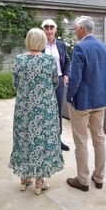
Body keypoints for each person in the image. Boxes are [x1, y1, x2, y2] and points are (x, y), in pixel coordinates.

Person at [9, 28, 64, 195]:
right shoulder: (49, 61)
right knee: (42, 142)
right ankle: (39, 182)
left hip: (24, 108)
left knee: (24, 139)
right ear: (42, 42)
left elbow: (15, 83)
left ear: (27, 41)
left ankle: (24, 179)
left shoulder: (19, 60)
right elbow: (55, 82)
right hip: (45, 109)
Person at [65, 16, 106, 192]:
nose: (74, 32)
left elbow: (75, 78)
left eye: (75, 29)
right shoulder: (104, 47)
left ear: (81, 29)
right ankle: (99, 178)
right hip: (100, 101)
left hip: (83, 103)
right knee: (99, 139)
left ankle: (83, 180)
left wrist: (69, 96)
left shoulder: (80, 48)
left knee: (81, 141)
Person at [41, 19, 71, 151]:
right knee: (44, 111)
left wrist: (66, 74)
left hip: (58, 81)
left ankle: (57, 140)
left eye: (51, 27)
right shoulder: (39, 45)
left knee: (58, 110)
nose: (49, 30)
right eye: (46, 27)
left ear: (55, 29)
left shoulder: (61, 45)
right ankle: (44, 140)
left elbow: (67, 60)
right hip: (44, 83)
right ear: (43, 30)